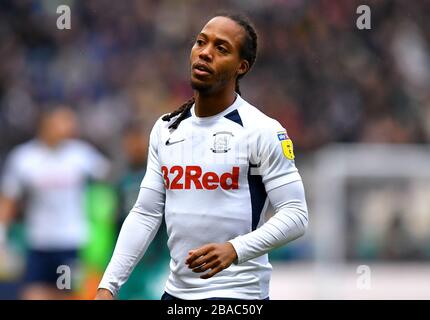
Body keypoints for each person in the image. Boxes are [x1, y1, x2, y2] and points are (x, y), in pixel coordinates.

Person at [96, 13, 308, 300]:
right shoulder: (166, 128)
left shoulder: (262, 131)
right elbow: (146, 213)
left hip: (239, 296)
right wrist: (109, 285)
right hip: (176, 295)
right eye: (201, 43)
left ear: (241, 66)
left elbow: (296, 215)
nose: (205, 53)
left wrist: (235, 250)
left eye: (221, 48)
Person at [0, 105, 111, 299]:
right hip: (38, 242)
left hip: (70, 242)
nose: (70, 126)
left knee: (67, 293)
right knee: (31, 295)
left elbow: (108, 176)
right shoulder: (24, 158)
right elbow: (9, 198)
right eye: (64, 121)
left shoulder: (80, 154)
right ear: (47, 124)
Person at [115, 124, 169, 299]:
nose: (134, 147)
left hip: (158, 257)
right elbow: (118, 220)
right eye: (130, 142)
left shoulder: (161, 176)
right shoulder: (122, 180)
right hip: (130, 259)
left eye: (138, 141)